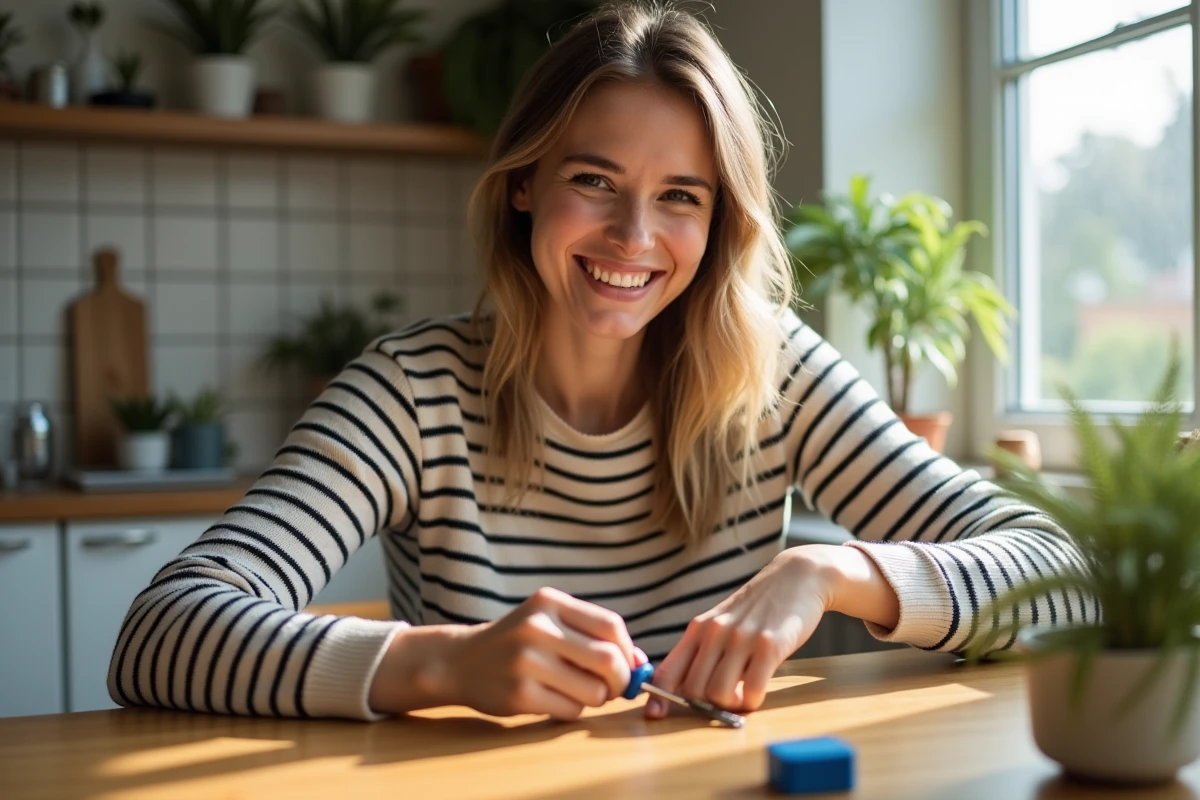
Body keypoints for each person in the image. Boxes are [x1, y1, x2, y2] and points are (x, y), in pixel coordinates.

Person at [108, 2, 1092, 723]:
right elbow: (160, 632)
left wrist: (828, 570)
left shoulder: (774, 372)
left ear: (720, 223)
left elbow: (1065, 575)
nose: (634, 235)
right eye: (594, 180)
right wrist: (445, 663)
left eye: (682, 197)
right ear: (525, 185)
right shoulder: (409, 392)